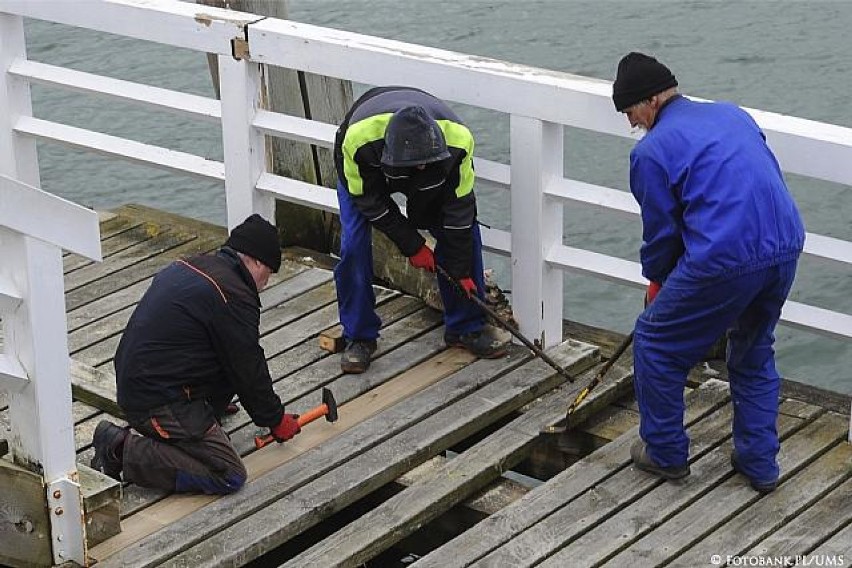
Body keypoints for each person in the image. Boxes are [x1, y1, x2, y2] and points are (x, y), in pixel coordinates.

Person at [612, 52, 805, 493]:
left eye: (630, 111)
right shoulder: (731, 114)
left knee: (654, 342)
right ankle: (759, 462)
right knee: (753, 349)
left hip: (727, 255)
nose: (630, 124)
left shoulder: (651, 152)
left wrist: (658, 282)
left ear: (653, 100)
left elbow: (661, 235)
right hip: (786, 244)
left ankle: (664, 452)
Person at [90, 214, 301, 495]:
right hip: (155, 400)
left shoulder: (193, 264)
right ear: (257, 261)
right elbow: (248, 368)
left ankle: (201, 410)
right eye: (269, 273)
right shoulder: (233, 295)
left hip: (139, 377)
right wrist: (275, 419)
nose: (266, 283)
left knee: (223, 348)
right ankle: (120, 448)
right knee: (228, 474)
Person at [332, 86, 508, 374]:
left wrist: (460, 270)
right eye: (417, 166)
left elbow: (459, 214)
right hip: (369, 171)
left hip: (439, 164)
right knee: (353, 245)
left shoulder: (459, 143)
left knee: (466, 234)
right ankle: (359, 336)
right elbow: (369, 201)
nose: (421, 168)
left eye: (427, 164)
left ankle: (465, 326)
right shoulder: (357, 142)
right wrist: (412, 245)